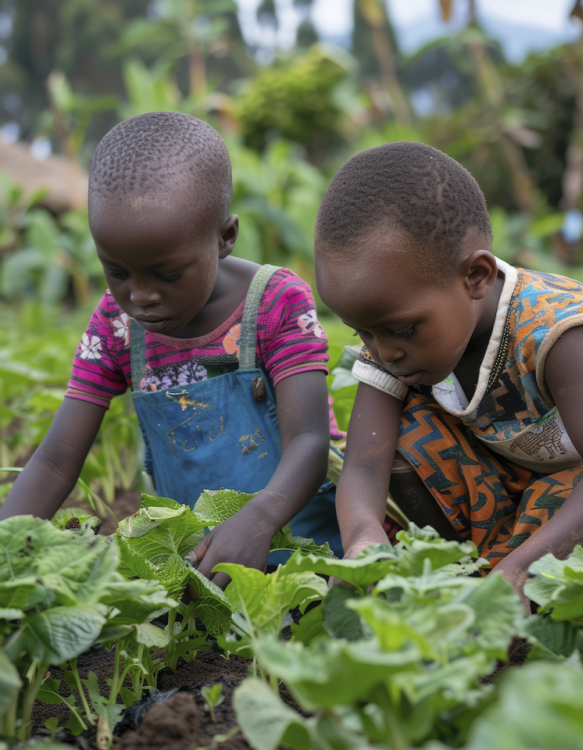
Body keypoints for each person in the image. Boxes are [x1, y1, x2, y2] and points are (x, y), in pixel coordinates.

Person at [0, 111, 343, 586]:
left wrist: (260, 521)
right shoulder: (116, 326)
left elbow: (309, 441)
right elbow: (57, 458)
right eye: (116, 272)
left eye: (166, 274)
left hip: (303, 545)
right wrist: (7, 545)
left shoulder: (275, 303)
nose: (140, 296)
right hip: (195, 561)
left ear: (224, 237)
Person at [314, 141, 583, 607]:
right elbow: (365, 464)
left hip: (582, 486)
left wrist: (520, 573)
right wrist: (364, 540)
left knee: (557, 496)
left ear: (477, 277)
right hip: (507, 485)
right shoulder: (398, 345)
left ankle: (510, 578)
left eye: (403, 329)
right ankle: (473, 572)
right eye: (363, 333)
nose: (385, 351)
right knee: (404, 438)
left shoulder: (553, 333)